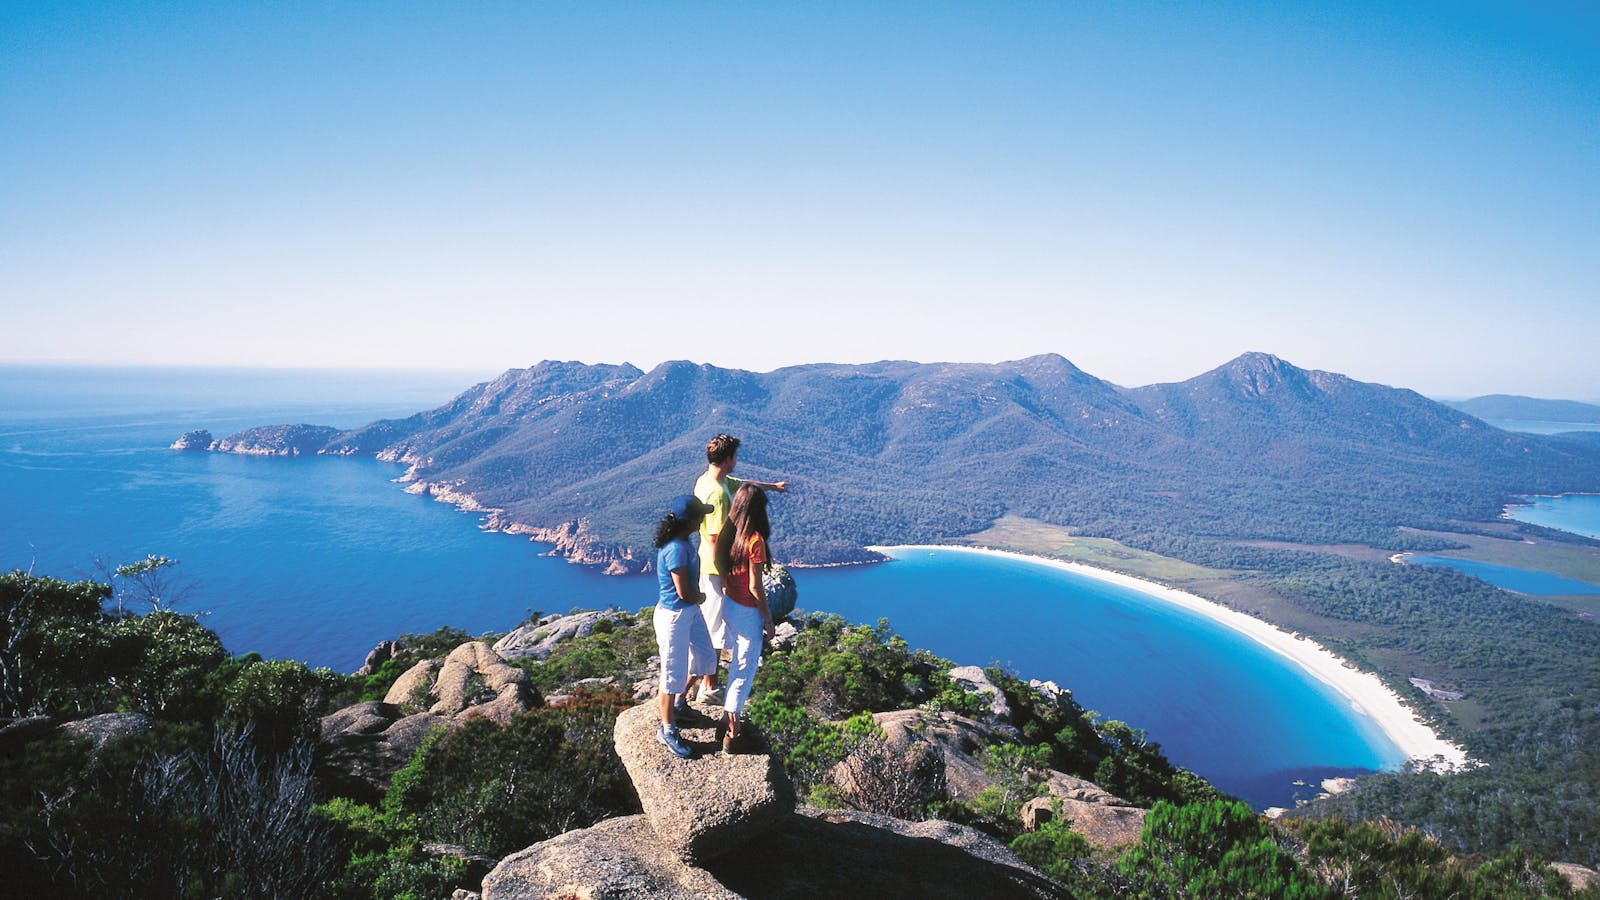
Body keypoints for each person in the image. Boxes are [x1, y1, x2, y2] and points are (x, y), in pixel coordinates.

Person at [690, 433, 788, 704]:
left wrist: (773, 486)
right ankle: (708, 688)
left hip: (709, 564)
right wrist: (725, 577)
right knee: (714, 628)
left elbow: (746, 486)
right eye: (736, 456)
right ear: (729, 458)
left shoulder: (708, 479)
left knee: (716, 625)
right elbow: (715, 539)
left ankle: (707, 684)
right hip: (714, 568)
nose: (737, 461)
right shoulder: (719, 495)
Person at [714, 484, 777, 753]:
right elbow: (755, 587)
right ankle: (733, 734)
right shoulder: (754, 541)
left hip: (729, 604)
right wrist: (768, 619)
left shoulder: (729, 537)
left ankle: (727, 719)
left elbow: (720, 567)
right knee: (744, 670)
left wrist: (729, 590)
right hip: (747, 611)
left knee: (737, 666)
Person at [651, 493, 715, 758]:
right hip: (675, 616)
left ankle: (679, 704)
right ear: (690, 521)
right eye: (700, 516)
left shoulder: (683, 542)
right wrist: (700, 597)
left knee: (706, 657)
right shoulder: (676, 549)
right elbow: (683, 592)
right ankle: (667, 730)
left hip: (689, 612)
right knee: (672, 675)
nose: (703, 520)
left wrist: (696, 601)